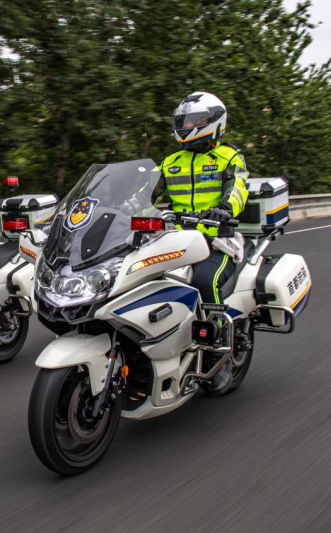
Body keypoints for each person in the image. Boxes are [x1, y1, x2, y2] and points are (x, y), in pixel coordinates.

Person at [126, 92, 249, 394]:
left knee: (205, 282)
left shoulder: (229, 157)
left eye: (196, 121)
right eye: (185, 121)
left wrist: (225, 208)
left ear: (215, 122)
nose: (188, 126)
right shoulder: (171, 162)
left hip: (217, 240)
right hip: (174, 241)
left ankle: (217, 355)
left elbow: (238, 188)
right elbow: (144, 195)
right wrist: (122, 207)